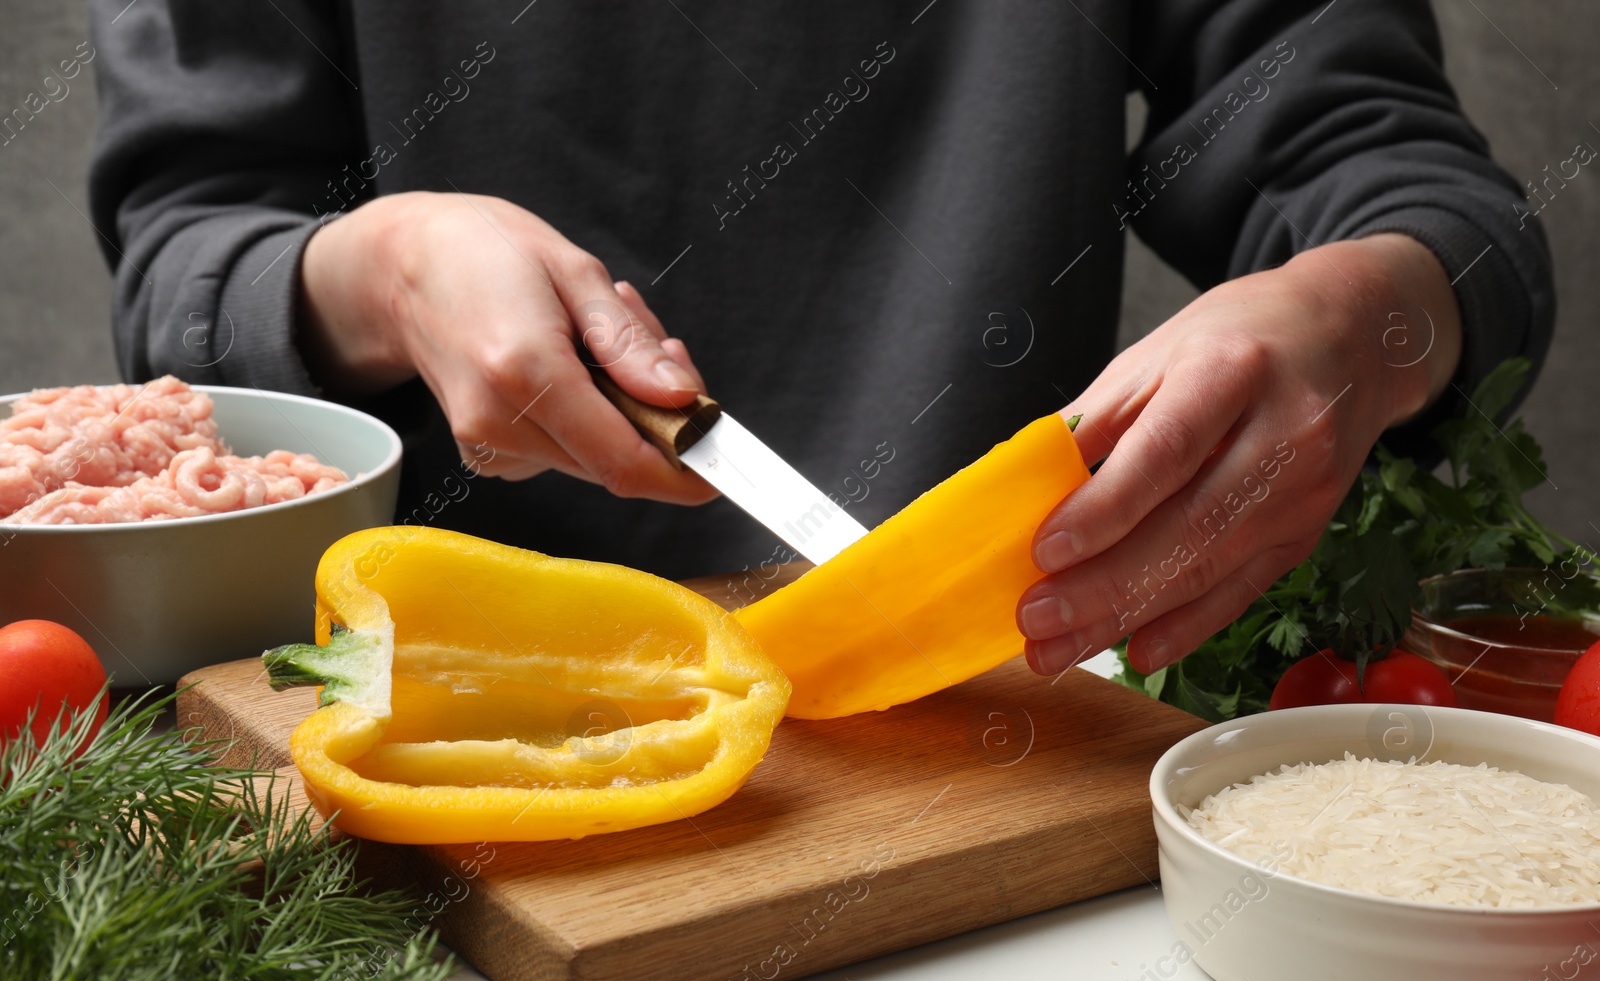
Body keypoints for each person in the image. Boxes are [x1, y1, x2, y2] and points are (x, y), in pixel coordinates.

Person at [87, 1, 1553, 680]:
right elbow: (189, 254)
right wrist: (385, 267)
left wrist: (1358, 327)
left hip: (975, 707)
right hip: (398, 695)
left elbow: (1411, 186)